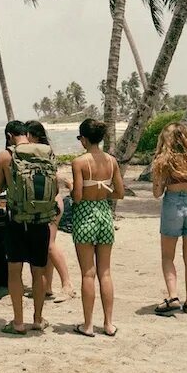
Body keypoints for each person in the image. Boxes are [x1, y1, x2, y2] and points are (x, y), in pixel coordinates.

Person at [0, 121, 52, 335]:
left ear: (9, 135)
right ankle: (37, 319)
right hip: (41, 219)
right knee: (38, 271)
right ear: (26, 134)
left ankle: (18, 321)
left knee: (15, 271)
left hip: (16, 219)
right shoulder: (46, 152)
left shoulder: (6, 155)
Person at [70, 118, 124, 337]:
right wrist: (103, 188)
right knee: (106, 272)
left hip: (85, 215)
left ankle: (88, 324)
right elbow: (120, 193)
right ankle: (108, 323)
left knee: (87, 274)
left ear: (83, 139)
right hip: (104, 214)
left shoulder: (80, 162)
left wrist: (73, 188)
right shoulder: (111, 161)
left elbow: (78, 196)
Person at [151, 123, 187, 315]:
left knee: (168, 256)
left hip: (172, 206)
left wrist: (167, 182)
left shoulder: (162, 161)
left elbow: (157, 193)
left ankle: (173, 296)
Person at [25, 120, 75, 302]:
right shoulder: (46, 152)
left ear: (33, 136)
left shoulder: (38, 154)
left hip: (50, 203)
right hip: (53, 200)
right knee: (47, 246)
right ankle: (47, 287)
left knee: (49, 244)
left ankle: (67, 284)